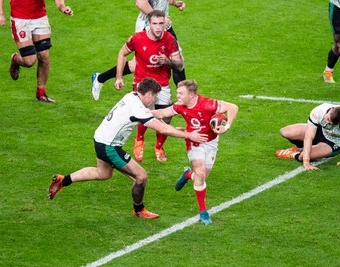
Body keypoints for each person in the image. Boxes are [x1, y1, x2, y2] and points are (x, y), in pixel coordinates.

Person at [48, 78, 208, 219]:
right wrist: (189, 135)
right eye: (154, 97)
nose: (153, 101)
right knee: (141, 177)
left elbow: (158, 123)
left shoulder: (131, 97)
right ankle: (139, 210)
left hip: (100, 139)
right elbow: (162, 129)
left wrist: (179, 130)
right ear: (149, 94)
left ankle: (63, 180)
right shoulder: (137, 108)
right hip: (109, 146)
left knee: (103, 173)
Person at [95, 10, 184, 163]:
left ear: (165, 23)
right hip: (143, 83)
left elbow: (180, 66)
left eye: (161, 24)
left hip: (162, 83)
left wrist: (167, 61)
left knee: (167, 117)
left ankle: (158, 146)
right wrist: (118, 77)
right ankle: (139, 140)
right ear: (148, 24)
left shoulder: (170, 39)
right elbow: (122, 53)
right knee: (144, 113)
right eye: (154, 24)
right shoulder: (137, 39)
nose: (158, 28)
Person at [151, 80, 239, 224]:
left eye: (181, 93)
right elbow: (162, 112)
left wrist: (226, 126)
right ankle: (203, 211)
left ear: (191, 95)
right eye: (177, 92)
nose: (177, 95)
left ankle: (187, 174)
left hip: (211, 142)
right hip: (194, 141)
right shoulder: (179, 106)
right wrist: (144, 113)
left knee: (201, 178)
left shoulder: (208, 104)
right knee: (200, 173)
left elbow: (233, 107)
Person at [91, 0, 186, 101]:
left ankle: (185, 96)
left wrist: (175, 3)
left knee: (178, 60)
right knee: (136, 64)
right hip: (148, 25)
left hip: (164, 24)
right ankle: (185, 96)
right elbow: (140, 3)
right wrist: (159, 18)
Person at [0, 0, 73, 103]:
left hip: (40, 18)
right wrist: (0, 14)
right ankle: (16, 59)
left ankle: (41, 93)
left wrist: (63, 8)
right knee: (29, 61)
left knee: (44, 56)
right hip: (20, 19)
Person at [275, 103, 340, 170]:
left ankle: (294, 154)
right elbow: (308, 136)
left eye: (331, 123)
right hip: (319, 131)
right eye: (327, 119)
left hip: (335, 142)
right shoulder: (319, 110)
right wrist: (306, 162)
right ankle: (299, 148)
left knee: (304, 155)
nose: (327, 122)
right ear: (330, 110)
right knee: (285, 132)